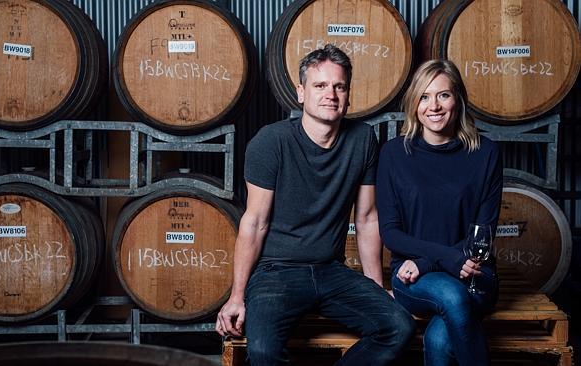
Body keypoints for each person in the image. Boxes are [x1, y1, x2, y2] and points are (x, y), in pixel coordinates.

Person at [215, 44, 414, 366]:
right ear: (301, 93)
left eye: (339, 86)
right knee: (263, 351)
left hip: (330, 270)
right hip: (276, 272)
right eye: (320, 85)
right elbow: (254, 222)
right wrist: (237, 296)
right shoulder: (271, 141)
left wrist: (376, 286)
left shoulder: (362, 140)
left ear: (349, 94)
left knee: (397, 327)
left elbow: (366, 218)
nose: (331, 94)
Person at [376, 59, 503, 366]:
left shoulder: (485, 153)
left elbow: (483, 232)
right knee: (452, 297)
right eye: (424, 96)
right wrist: (441, 260)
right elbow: (391, 233)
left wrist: (425, 261)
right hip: (413, 279)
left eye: (443, 95)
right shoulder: (394, 154)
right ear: (413, 103)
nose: (434, 106)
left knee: (439, 337)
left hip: (473, 272)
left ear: (458, 99)